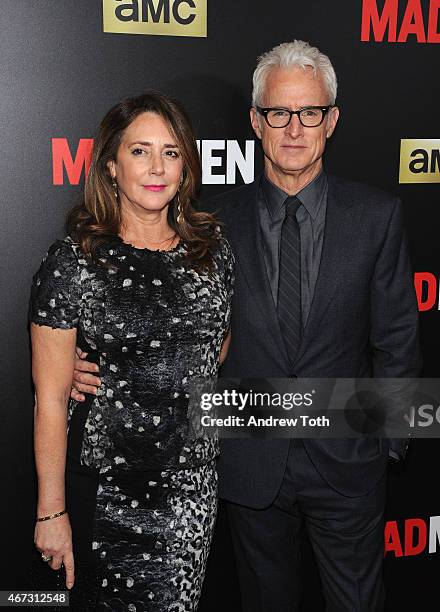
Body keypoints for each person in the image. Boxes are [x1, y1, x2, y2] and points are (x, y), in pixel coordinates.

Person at [72, 41, 421, 611]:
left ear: (331, 121)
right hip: (250, 464)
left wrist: (391, 446)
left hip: (349, 467)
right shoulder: (211, 227)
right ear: (257, 121)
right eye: (278, 112)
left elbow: (399, 341)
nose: (293, 128)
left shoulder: (376, 216)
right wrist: (88, 368)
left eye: (309, 112)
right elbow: (163, 324)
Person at [29, 91, 234, 611]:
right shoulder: (74, 262)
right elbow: (49, 398)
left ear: (186, 168)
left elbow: (216, 347)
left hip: (192, 490)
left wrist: (156, 375)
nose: (156, 167)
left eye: (170, 152)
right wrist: (51, 512)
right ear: (112, 166)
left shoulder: (212, 251)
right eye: (140, 151)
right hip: (108, 492)